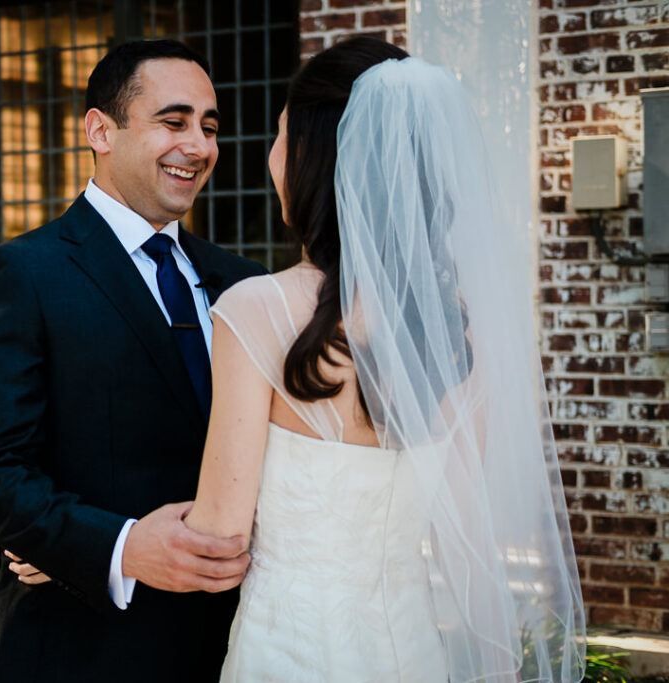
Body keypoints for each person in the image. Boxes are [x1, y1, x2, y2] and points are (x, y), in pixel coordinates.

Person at [184, 37, 588, 681]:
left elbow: (220, 533)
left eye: (282, 134)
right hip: (410, 654)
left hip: (284, 654)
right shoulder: (460, 327)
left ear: (319, 157)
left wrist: (109, 537)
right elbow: (466, 549)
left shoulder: (256, 310)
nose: (271, 157)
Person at [0, 39, 266, 682]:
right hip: (78, 647)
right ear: (101, 130)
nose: (199, 147)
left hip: (234, 645)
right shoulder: (17, 274)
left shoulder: (245, 286)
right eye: (173, 122)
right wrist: (113, 547)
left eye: (209, 127)